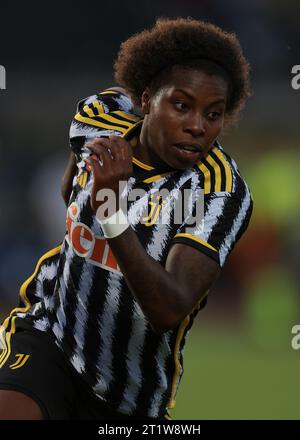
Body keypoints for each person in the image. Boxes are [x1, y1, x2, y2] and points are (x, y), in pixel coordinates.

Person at [0, 17, 253, 420]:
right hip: (52, 337)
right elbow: (70, 190)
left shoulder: (220, 190)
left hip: (131, 394)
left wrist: (111, 212)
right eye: (182, 105)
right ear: (148, 97)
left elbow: (169, 309)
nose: (196, 127)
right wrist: (92, 198)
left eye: (213, 114)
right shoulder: (98, 119)